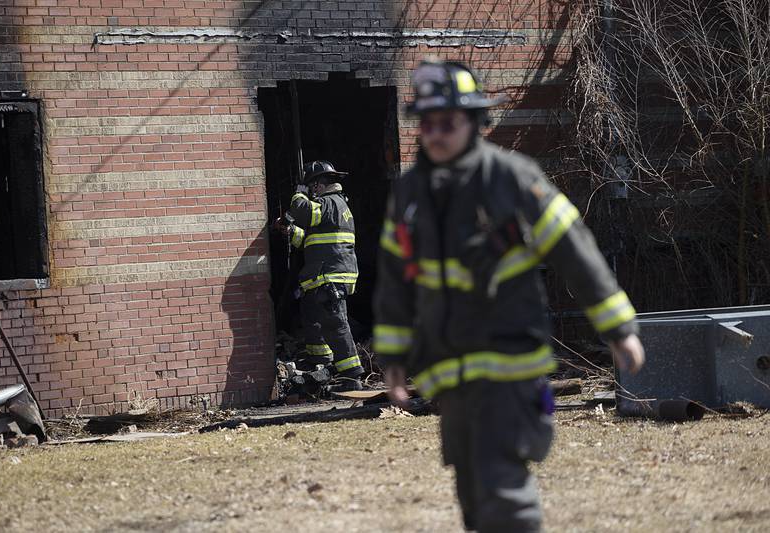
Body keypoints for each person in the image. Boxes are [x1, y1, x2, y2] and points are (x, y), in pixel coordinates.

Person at [372, 59, 645, 532]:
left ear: (477, 123)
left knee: (504, 492)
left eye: (449, 124)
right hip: (450, 373)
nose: (435, 134)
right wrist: (394, 357)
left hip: (510, 365)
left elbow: (574, 250)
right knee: (474, 496)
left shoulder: (512, 179)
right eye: (428, 123)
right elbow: (396, 281)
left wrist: (618, 329)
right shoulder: (411, 193)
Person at [275, 160, 365, 390]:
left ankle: (351, 376)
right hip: (324, 275)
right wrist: (290, 230)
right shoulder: (332, 206)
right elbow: (309, 241)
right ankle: (322, 365)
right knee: (315, 320)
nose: (310, 192)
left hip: (331, 276)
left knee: (335, 324)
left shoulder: (330, 202)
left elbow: (304, 213)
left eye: (311, 187)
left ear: (317, 186)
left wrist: (298, 194)